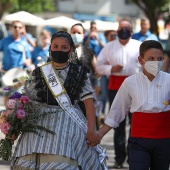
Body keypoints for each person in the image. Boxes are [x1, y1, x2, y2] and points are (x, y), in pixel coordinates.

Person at [11, 31, 107, 170]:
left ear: (71, 50)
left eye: (64, 47)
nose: (59, 50)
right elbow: (27, 100)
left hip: (68, 121)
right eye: (55, 46)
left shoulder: (80, 73)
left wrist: (91, 131)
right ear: (50, 48)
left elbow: (89, 102)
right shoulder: (39, 72)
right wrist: (15, 126)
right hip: (40, 121)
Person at [97, 40, 170, 170]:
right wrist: (99, 134)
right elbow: (117, 112)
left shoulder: (168, 80)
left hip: (164, 141)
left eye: (159, 59)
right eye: (151, 58)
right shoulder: (130, 82)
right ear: (141, 60)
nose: (156, 62)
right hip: (138, 141)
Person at [96, 19, 142, 168]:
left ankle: (133, 158)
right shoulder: (109, 47)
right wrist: (111, 69)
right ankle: (119, 159)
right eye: (121, 28)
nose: (123, 30)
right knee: (117, 123)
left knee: (135, 123)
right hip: (115, 85)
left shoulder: (139, 46)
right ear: (117, 31)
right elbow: (98, 67)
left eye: (126, 28)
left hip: (136, 86)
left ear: (131, 31)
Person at [70, 23, 102, 128]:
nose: (76, 35)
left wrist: (96, 90)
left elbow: (96, 71)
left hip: (85, 93)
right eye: (73, 32)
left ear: (83, 35)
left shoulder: (88, 51)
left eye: (79, 33)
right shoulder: (63, 50)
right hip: (67, 93)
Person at [0, 20, 32, 107]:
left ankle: (17, 117)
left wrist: (27, 62)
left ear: (22, 29)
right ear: (11, 28)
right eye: (15, 27)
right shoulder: (5, 40)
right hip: (6, 73)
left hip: (20, 74)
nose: (17, 29)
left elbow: (29, 59)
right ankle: (6, 117)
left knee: (19, 96)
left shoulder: (24, 42)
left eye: (19, 27)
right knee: (7, 95)